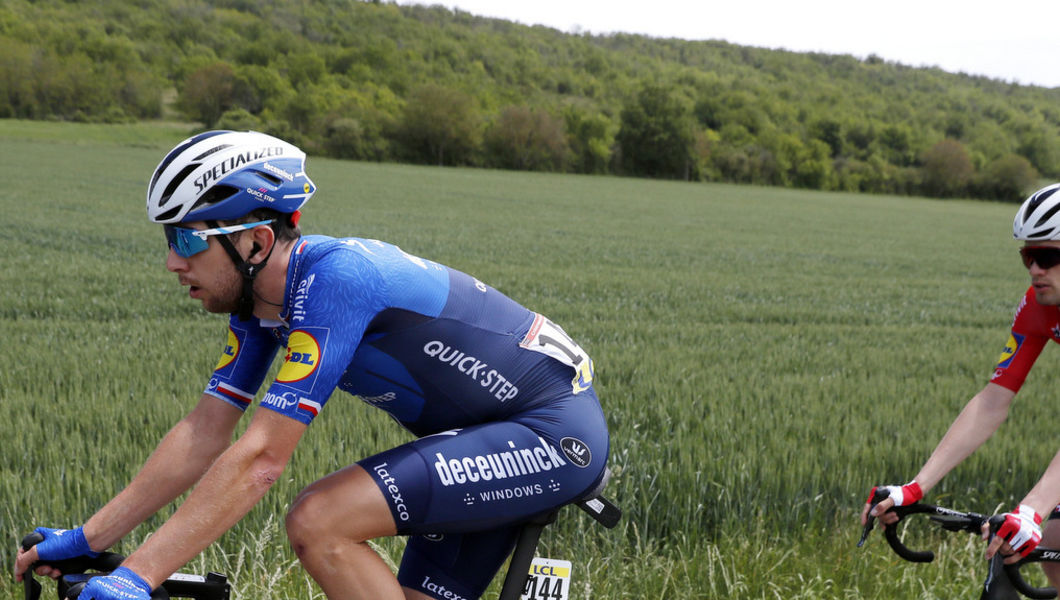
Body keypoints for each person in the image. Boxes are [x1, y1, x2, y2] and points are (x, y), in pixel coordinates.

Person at [14, 130, 610, 600]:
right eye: (168, 240)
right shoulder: (259, 310)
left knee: (320, 520)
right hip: (478, 439)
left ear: (254, 242)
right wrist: (87, 540)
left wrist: (137, 579)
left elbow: (261, 461)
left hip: (551, 435)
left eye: (188, 240)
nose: (173, 261)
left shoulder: (337, 279)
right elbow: (203, 435)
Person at [861, 182, 1060, 581]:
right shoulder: (1038, 306)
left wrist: (1030, 509)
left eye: (1046, 256)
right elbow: (992, 400)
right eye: (1027, 256)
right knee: (1053, 543)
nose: (1035, 269)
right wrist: (915, 488)